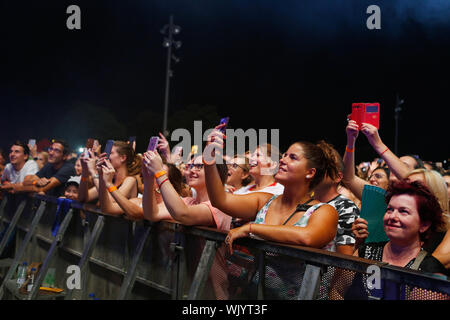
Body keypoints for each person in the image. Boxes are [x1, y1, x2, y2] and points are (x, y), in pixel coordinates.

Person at [204, 125, 338, 299]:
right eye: (284, 155)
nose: (283, 160)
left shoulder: (324, 211)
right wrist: (209, 159)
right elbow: (220, 200)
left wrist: (251, 228)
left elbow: (307, 237)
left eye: (293, 157)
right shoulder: (264, 200)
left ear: (310, 173)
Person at [332, 181, 448, 300]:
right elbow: (336, 291)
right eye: (390, 210)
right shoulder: (365, 252)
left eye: (403, 211)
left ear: (424, 225)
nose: (392, 216)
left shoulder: (431, 272)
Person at [142, 150, 231, 299]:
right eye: (190, 166)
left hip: (212, 292)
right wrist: (149, 180)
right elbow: (152, 214)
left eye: (198, 166)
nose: (191, 170)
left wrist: (159, 173)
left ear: (214, 173)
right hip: (187, 285)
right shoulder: (189, 201)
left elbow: (183, 214)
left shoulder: (221, 206)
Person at [313, 142, 360, 256]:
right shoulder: (304, 200)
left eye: (324, 167)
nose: (317, 170)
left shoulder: (346, 208)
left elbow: (345, 261)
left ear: (337, 177)